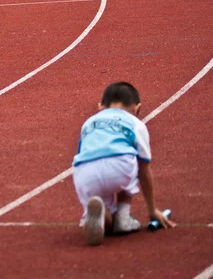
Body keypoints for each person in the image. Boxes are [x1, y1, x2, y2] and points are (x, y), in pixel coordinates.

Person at [72, 81, 175, 246]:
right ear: (137, 108)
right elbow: (144, 169)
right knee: (134, 157)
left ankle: (102, 215)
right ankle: (122, 217)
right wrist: (152, 209)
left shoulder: (89, 123)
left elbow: (81, 153)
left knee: (97, 197)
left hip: (85, 173)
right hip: (120, 167)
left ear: (100, 106)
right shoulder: (136, 124)